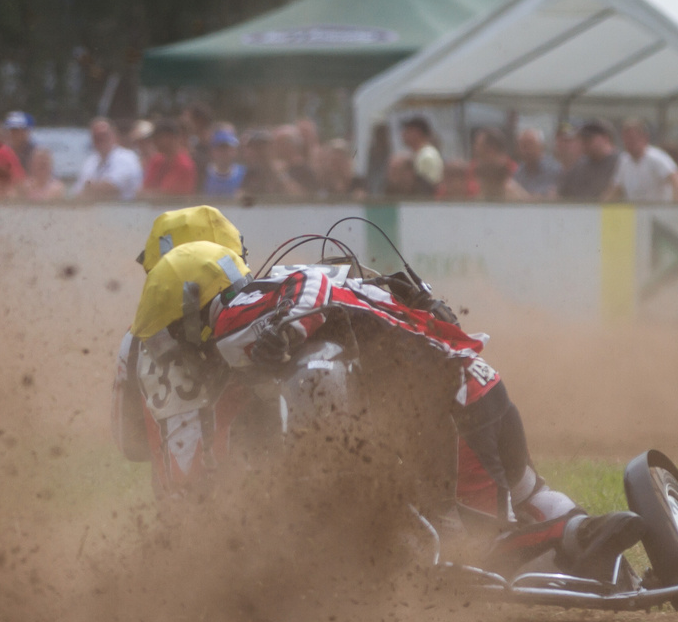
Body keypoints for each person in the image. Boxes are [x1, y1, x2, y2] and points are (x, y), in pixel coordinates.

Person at [114, 205, 644, 580]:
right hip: (468, 385)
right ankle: (585, 537)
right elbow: (419, 319)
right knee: (517, 496)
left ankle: (577, 542)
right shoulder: (268, 306)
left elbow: (134, 445)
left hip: (438, 406)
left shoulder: (169, 340)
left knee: (473, 536)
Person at [607, 119, 678, 203]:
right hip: (635, 213)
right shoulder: (624, 161)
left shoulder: (657, 158)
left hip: (658, 213)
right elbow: (615, 191)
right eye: (626, 138)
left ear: (644, 138)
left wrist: (677, 211)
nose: (630, 142)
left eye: (633, 138)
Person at [73, 118, 143, 200]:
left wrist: (89, 187)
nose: (100, 139)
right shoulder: (91, 161)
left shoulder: (126, 157)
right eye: (96, 136)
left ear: (114, 136)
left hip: (124, 208)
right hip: (98, 208)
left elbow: (110, 188)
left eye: (104, 135)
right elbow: (77, 191)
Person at [556, 119, 619, 200]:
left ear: (605, 138)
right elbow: (561, 194)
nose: (585, 142)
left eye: (589, 139)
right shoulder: (579, 166)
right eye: (583, 139)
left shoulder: (620, 163)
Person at [142, 118, 197, 197]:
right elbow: (142, 190)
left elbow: (165, 195)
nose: (154, 141)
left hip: (177, 207)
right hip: (154, 208)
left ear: (171, 137)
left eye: (157, 137)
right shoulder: (157, 160)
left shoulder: (184, 164)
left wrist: (148, 193)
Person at [472, 128, 525, 201]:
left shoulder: (512, 170)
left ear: (491, 148)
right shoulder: (474, 168)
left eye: (478, 145)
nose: (475, 148)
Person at [400, 116, 443, 197]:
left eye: (408, 131)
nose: (403, 134)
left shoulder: (427, 156)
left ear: (417, 133)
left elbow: (431, 186)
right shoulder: (419, 154)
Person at [511, 128, 560, 199]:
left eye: (530, 144)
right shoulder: (518, 172)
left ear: (541, 146)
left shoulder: (555, 170)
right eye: (523, 146)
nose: (527, 150)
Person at [202, 128, 245, 197]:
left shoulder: (244, 174)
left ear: (235, 151)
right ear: (212, 151)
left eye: (228, 149)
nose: (225, 153)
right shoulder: (203, 174)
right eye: (220, 149)